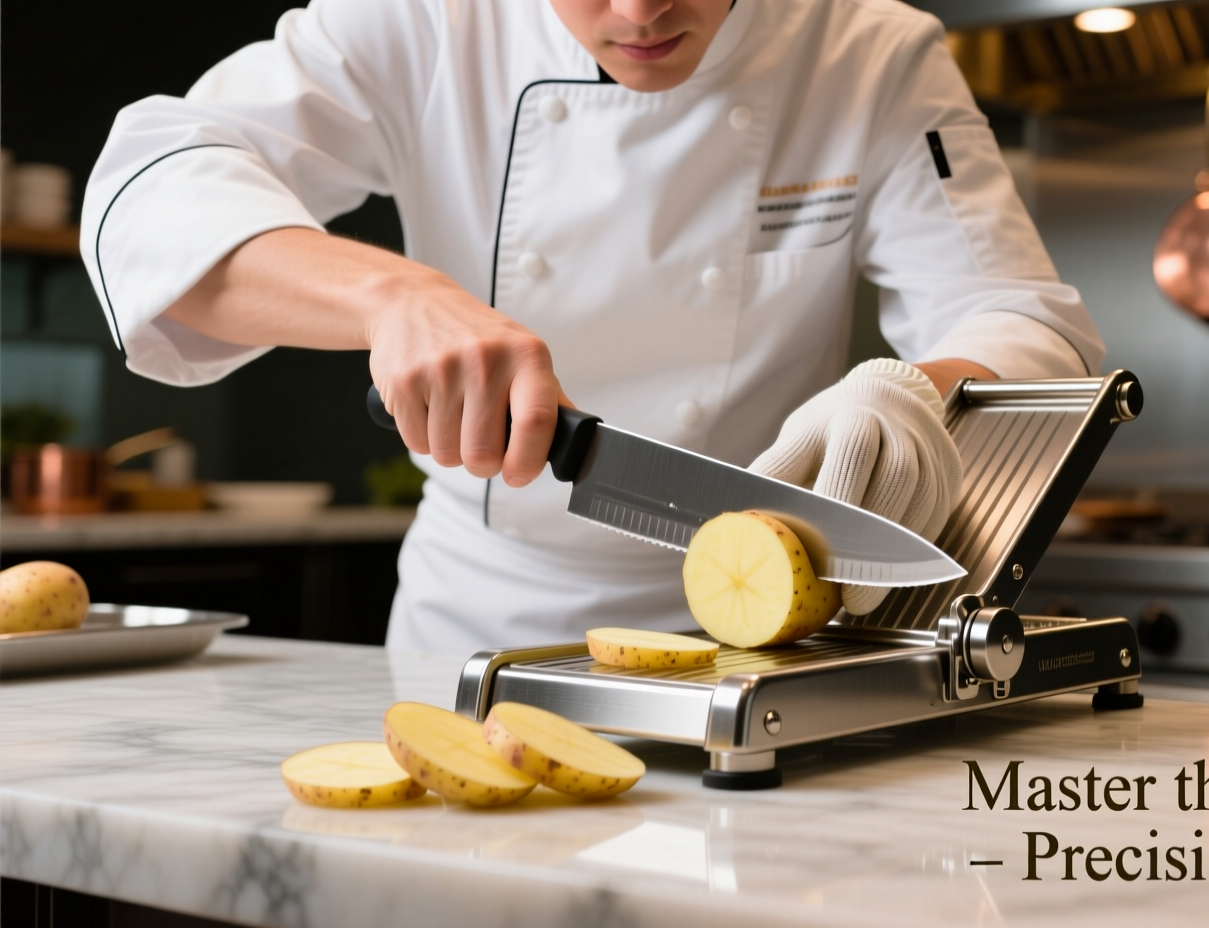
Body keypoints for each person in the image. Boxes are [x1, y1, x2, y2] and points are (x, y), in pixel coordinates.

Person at [81, 0, 1105, 655]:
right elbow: (148, 196)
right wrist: (391, 297)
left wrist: (908, 390)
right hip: (480, 629)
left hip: (770, 632)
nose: (640, 8)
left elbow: (1023, 319)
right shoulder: (420, 21)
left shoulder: (865, 53)